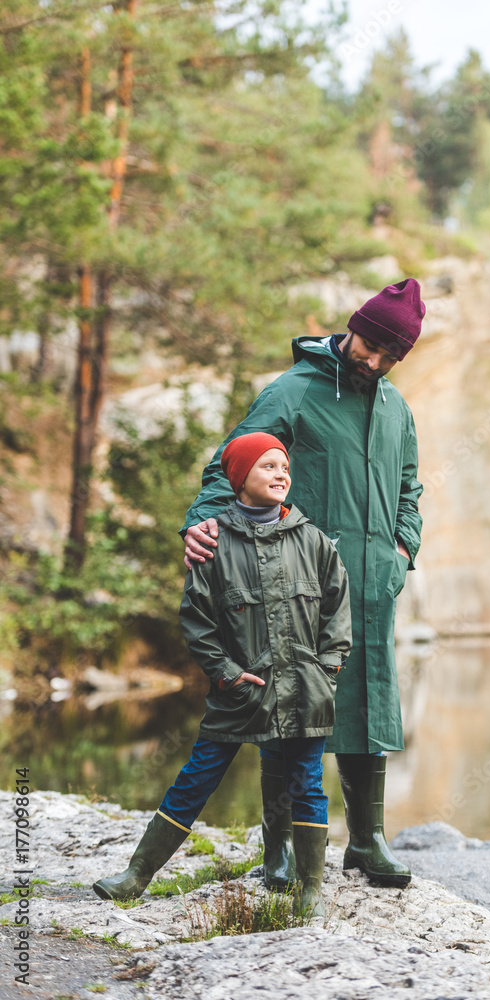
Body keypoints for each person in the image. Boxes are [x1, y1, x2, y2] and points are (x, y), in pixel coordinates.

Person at [183, 279, 424, 889]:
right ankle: (280, 851)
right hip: (296, 584)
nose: (372, 361)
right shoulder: (294, 390)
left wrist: (401, 549)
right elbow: (230, 461)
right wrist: (200, 523)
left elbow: (409, 491)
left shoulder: (397, 408)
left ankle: (367, 842)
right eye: (367, 345)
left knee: (368, 703)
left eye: (387, 356)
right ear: (352, 327)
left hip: (371, 588)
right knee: (287, 708)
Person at [93, 432, 351, 916]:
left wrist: (330, 667)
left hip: (305, 692)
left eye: (284, 467)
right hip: (239, 693)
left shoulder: (314, 541)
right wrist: (227, 672)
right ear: (240, 479)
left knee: (308, 785)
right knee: (195, 779)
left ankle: (309, 893)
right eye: (268, 467)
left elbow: (338, 607)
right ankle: (136, 876)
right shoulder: (212, 542)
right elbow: (197, 618)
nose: (281, 474)